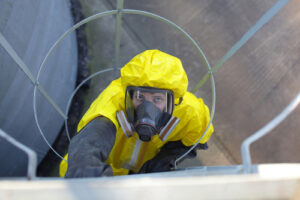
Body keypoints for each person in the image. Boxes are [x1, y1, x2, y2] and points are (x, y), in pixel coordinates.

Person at [59, 49, 214, 177]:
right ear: (129, 94)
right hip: (111, 172)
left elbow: (198, 135)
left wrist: (165, 159)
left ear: (173, 101)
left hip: (144, 173)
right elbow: (87, 149)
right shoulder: (113, 102)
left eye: (157, 99)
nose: (147, 108)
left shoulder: (189, 111)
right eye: (140, 96)